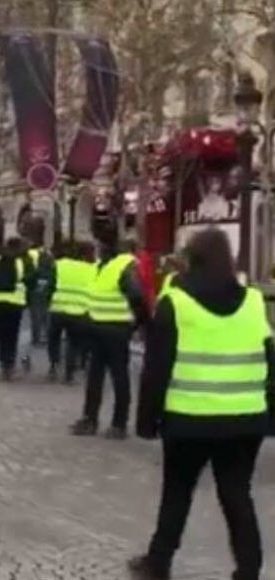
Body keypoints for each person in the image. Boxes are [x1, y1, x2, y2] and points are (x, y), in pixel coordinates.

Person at [130, 228, 273, 580]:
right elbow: (270, 359)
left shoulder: (175, 303)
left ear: (190, 259)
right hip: (244, 418)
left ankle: (158, 562)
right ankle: (249, 569)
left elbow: (156, 368)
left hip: (188, 418)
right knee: (237, 494)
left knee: (177, 492)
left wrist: (147, 420)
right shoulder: (254, 302)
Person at [71, 232, 149, 439]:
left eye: (100, 246)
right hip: (100, 327)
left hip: (115, 329)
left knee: (118, 376)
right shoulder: (102, 266)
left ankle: (117, 423)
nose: (97, 250)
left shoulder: (122, 266)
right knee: (96, 376)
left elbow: (137, 296)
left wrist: (136, 323)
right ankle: (91, 419)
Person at [0, 238, 32, 381]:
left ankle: (3, 362)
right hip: (15, 302)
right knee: (12, 335)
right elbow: (30, 280)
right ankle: (9, 364)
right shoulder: (22, 263)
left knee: (0, 333)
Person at [46, 242, 95, 384]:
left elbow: (50, 285)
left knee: (54, 338)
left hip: (58, 308)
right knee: (74, 343)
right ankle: (69, 373)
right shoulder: (92, 269)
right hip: (79, 311)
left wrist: (49, 301)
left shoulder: (60, 264)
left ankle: (53, 365)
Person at [26, 241, 54, 346]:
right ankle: (47, 337)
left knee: (36, 318)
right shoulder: (52, 273)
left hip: (35, 296)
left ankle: (36, 339)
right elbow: (53, 285)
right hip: (46, 296)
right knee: (46, 317)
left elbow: (28, 281)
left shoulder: (36, 272)